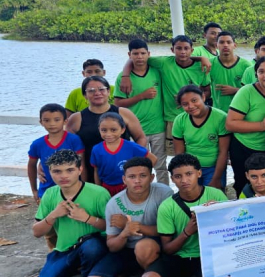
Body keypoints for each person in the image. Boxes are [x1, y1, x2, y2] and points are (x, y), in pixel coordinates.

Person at [139, 153, 228, 277]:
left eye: (189, 174)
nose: (184, 180)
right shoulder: (167, 206)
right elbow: (167, 249)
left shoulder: (216, 195)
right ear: (172, 179)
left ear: (199, 173)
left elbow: (233, 230)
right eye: (178, 176)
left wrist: (218, 214)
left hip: (209, 255)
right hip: (180, 257)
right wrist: (187, 232)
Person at [84, 157, 172, 277]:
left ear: (151, 177)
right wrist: (125, 232)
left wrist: (133, 226)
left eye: (142, 176)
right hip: (126, 249)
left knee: (143, 247)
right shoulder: (114, 203)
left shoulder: (164, 193)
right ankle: (128, 273)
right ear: (124, 179)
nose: (137, 181)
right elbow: (112, 246)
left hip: (154, 248)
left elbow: (170, 231)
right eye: (132, 177)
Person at [32, 150, 111, 277]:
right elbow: (36, 232)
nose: (63, 176)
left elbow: (112, 227)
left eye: (70, 170)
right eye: (57, 171)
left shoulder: (99, 193)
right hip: (65, 249)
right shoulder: (49, 194)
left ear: (80, 169)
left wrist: (87, 218)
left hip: (93, 245)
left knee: (91, 247)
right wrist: (54, 214)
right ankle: (75, 267)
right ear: (50, 172)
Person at [119, 35, 212, 156]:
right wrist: (125, 76)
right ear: (172, 50)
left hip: (194, 117)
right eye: (179, 48)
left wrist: (192, 101)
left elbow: (207, 91)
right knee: (175, 156)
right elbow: (136, 58)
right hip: (171, 119)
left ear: (191, 50)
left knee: (197, 151)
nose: (183, 52)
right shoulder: (164, 63)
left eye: (186, 48)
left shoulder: (201, 67)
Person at [66, 76, 147, 183]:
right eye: (91, 90)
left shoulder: (124, 113)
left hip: (121, 168)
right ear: (85, 95)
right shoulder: (76, 118)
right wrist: (43, 164)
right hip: (89, 169)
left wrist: (134, 162)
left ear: (108, 92)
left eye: (101, 89)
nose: (97, 93)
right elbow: (65, 145)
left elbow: (140, 137)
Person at [226, 55, 265, 194]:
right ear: (256, 74)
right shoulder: (247, 92)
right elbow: (230, 124)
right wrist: (262, 126)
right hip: (245, 148)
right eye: (261, 72)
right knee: (245, 187)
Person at [113, 39, 168, 184]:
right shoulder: (123, 77)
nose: (139, 57)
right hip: (135, 130)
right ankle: (142, 192)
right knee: (138, 166)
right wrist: (141, 96)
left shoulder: (157, 71)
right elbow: (117, 104)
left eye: (143, 53)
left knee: (161, 165)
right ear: (129, 55)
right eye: (135, 53)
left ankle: (166, 194)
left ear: (148, 54)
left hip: (158, 127)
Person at [173, 85, 230, 189]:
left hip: (214, 168)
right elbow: (179, 154)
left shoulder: (220, 118)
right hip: (190, 168)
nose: (191, 106)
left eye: (194, 100)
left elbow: (223, 152)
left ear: (203, 97)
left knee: (214, 200)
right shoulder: (179, 121)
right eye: (185, 104)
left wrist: (216, 178)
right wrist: (184, 175)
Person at [29, 104, 85, 203]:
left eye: (57, 120)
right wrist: (34, 190)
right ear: (41, 122)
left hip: (72, 189)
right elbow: (31, 165)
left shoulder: (74, 140)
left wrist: (85, 187)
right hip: (46, 189)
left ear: (65, 121)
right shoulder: (37, 144)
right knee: (47, 216)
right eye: (47, 120)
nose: (52, 124)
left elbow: (81, 164)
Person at [90, 112, 157, 196]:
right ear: (99, 129)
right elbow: (96, 171)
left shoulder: (131, 146)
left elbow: (153, 159)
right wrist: (98, 189)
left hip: (127, 188)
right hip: (106, 189)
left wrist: (140, 176)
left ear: (122, 129)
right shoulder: (96, 149)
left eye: (113, 130)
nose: (108, 134)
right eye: (104, 130)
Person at [209, 31, 253, 112]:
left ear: (234, 45)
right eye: (222, 42)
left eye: (229, 42)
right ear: (216, 45)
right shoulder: (210, 64)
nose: (225, 45)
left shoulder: (246, 65)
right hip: (218, 111)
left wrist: (236, 90)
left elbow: (254, 90)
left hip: (241, 111)